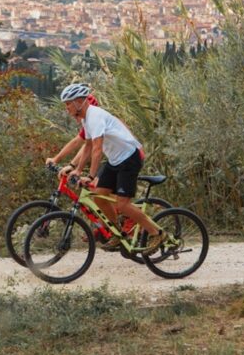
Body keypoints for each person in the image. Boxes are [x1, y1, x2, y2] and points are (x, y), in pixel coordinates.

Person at [57, 83, 165, 253]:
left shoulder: (95, 116)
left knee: (122, 204)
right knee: (99, 198)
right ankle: (118, 233)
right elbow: (88, 146)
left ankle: (156, 233)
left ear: (79, 102)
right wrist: (77, 169)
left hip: (129, 158)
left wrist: (91, 176)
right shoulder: (86, 119)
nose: (66, 108)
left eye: (68, 103)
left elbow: (98, 150)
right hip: (115, 161)